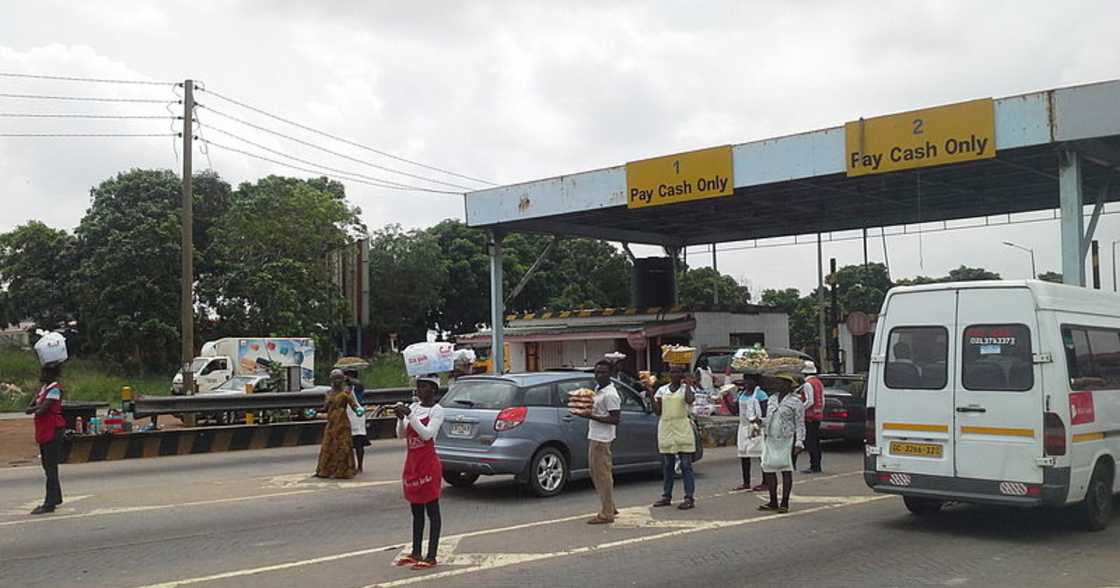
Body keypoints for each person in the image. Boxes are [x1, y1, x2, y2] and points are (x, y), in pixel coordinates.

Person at [395, 375, 445, 570]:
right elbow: (400, 434)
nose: (419, 390)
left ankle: (431, 555)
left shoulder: (437, 411)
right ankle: (416, 551)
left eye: (424, 387)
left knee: (432, 509)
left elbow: (426, 434)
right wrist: (401, 419)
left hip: (428, 465)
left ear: (433, 390)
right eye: (418, 386)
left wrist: (410, 416)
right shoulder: (413, 407)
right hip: (413, 464)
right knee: (416, 510)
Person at [579, 359, 621, 524]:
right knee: (598, 473)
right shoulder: (598, 390)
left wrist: (590, 416)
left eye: (603, 372)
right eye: (597, 372)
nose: (599, 375)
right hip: (595, 435)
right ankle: (610, 506)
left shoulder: (610, 394)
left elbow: (615, 419)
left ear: (610, 374)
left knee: (601, 475)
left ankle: (606, 513)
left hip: (601, 439)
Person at [758, 373, 805, 514]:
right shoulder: (772, 399)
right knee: (768, 468)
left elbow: (800, 424)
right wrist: (760, 421)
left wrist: (799, 442)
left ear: (788, 385)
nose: (777, 385)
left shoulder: (796, 402)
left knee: (786, 469)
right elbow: (769, 418)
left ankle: (784, 502)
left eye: (781, 383)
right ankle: (773, 501)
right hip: (771, 438)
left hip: (787, 439)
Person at [652, 363, 697, 509]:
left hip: (682, 426)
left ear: (683, 374)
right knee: (667, 465)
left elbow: (690, 400)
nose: (675, 375)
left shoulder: (686, 390)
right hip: (666, 427)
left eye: (678, 372)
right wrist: (650, 393)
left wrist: (689, 384)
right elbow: (658, 411)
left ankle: (689, 497)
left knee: (685, 464)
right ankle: (666, 495)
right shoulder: (662, 390)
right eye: (672, 372)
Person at [25, 362, 65, 515]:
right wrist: (37, 405)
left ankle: (49, 504)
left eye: (45, 373)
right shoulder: (44, 390)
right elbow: (30, 409)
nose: (41, 376)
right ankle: (56, 498)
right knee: (47, 466)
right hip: (44, 430)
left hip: (53, 430)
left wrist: (37, 406)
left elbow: (41, 410)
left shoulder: (55, 390)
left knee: (50, 467)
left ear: (52, 375)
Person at [315, 369, 358, 479]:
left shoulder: (346, 393)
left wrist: (358, 411)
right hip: (332, 422)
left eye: (339, 378)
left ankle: (344, 471)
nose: (337, 381)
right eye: (335, 378)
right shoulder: (328, 393)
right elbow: (325, 408)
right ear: (331, 379)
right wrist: (316, 411)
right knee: (328, 446)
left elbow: (354, 406)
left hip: (342, 423)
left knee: (343, 446)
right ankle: (325, 470)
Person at [733, 376, 766, 492]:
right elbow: (734, 410)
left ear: (755, 382)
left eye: (749, 380)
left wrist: (759, 422)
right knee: (744, 455)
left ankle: (766, 481)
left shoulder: (761, 394)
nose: (746, 383)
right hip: (743, 426)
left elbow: (764, 411)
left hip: (755, 426)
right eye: (745, 380)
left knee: (760, 453)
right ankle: (746, 482)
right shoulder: (741, 394)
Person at [799, 367, 825, 474]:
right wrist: (820, 411)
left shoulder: (808, 384)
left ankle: (814, 466)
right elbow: (822, 400)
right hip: (817, 415)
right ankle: (817, 465)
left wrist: (800, 410)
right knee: (815, 442)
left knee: (811, 442)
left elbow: (810, 401)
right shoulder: (819, 382)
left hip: (809, 416)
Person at [344, 369, 369, 473]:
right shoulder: (344, 389)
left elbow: (358, 383)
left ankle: (360, 466)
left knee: (359, 443)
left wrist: (349, 379)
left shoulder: (358, 387)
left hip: (357, 418)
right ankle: (350, 465)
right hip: (347, 417)